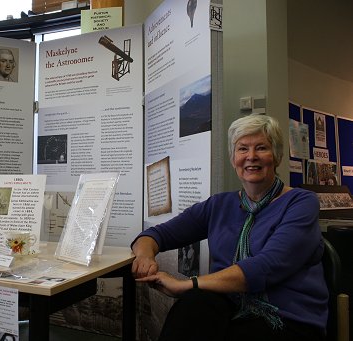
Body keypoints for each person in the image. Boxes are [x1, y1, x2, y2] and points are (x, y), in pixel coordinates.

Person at [131, 114, 328, 341]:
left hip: (286, 317)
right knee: (193, 307)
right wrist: (145, 256)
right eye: (242, 149)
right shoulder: (219, 205)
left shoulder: (301, 202)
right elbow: (155, 235)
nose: (251, 157)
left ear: (276, 156)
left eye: (261, 148)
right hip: (231, 305)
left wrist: (186, 284)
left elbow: (267, 266)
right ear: (233, 158)